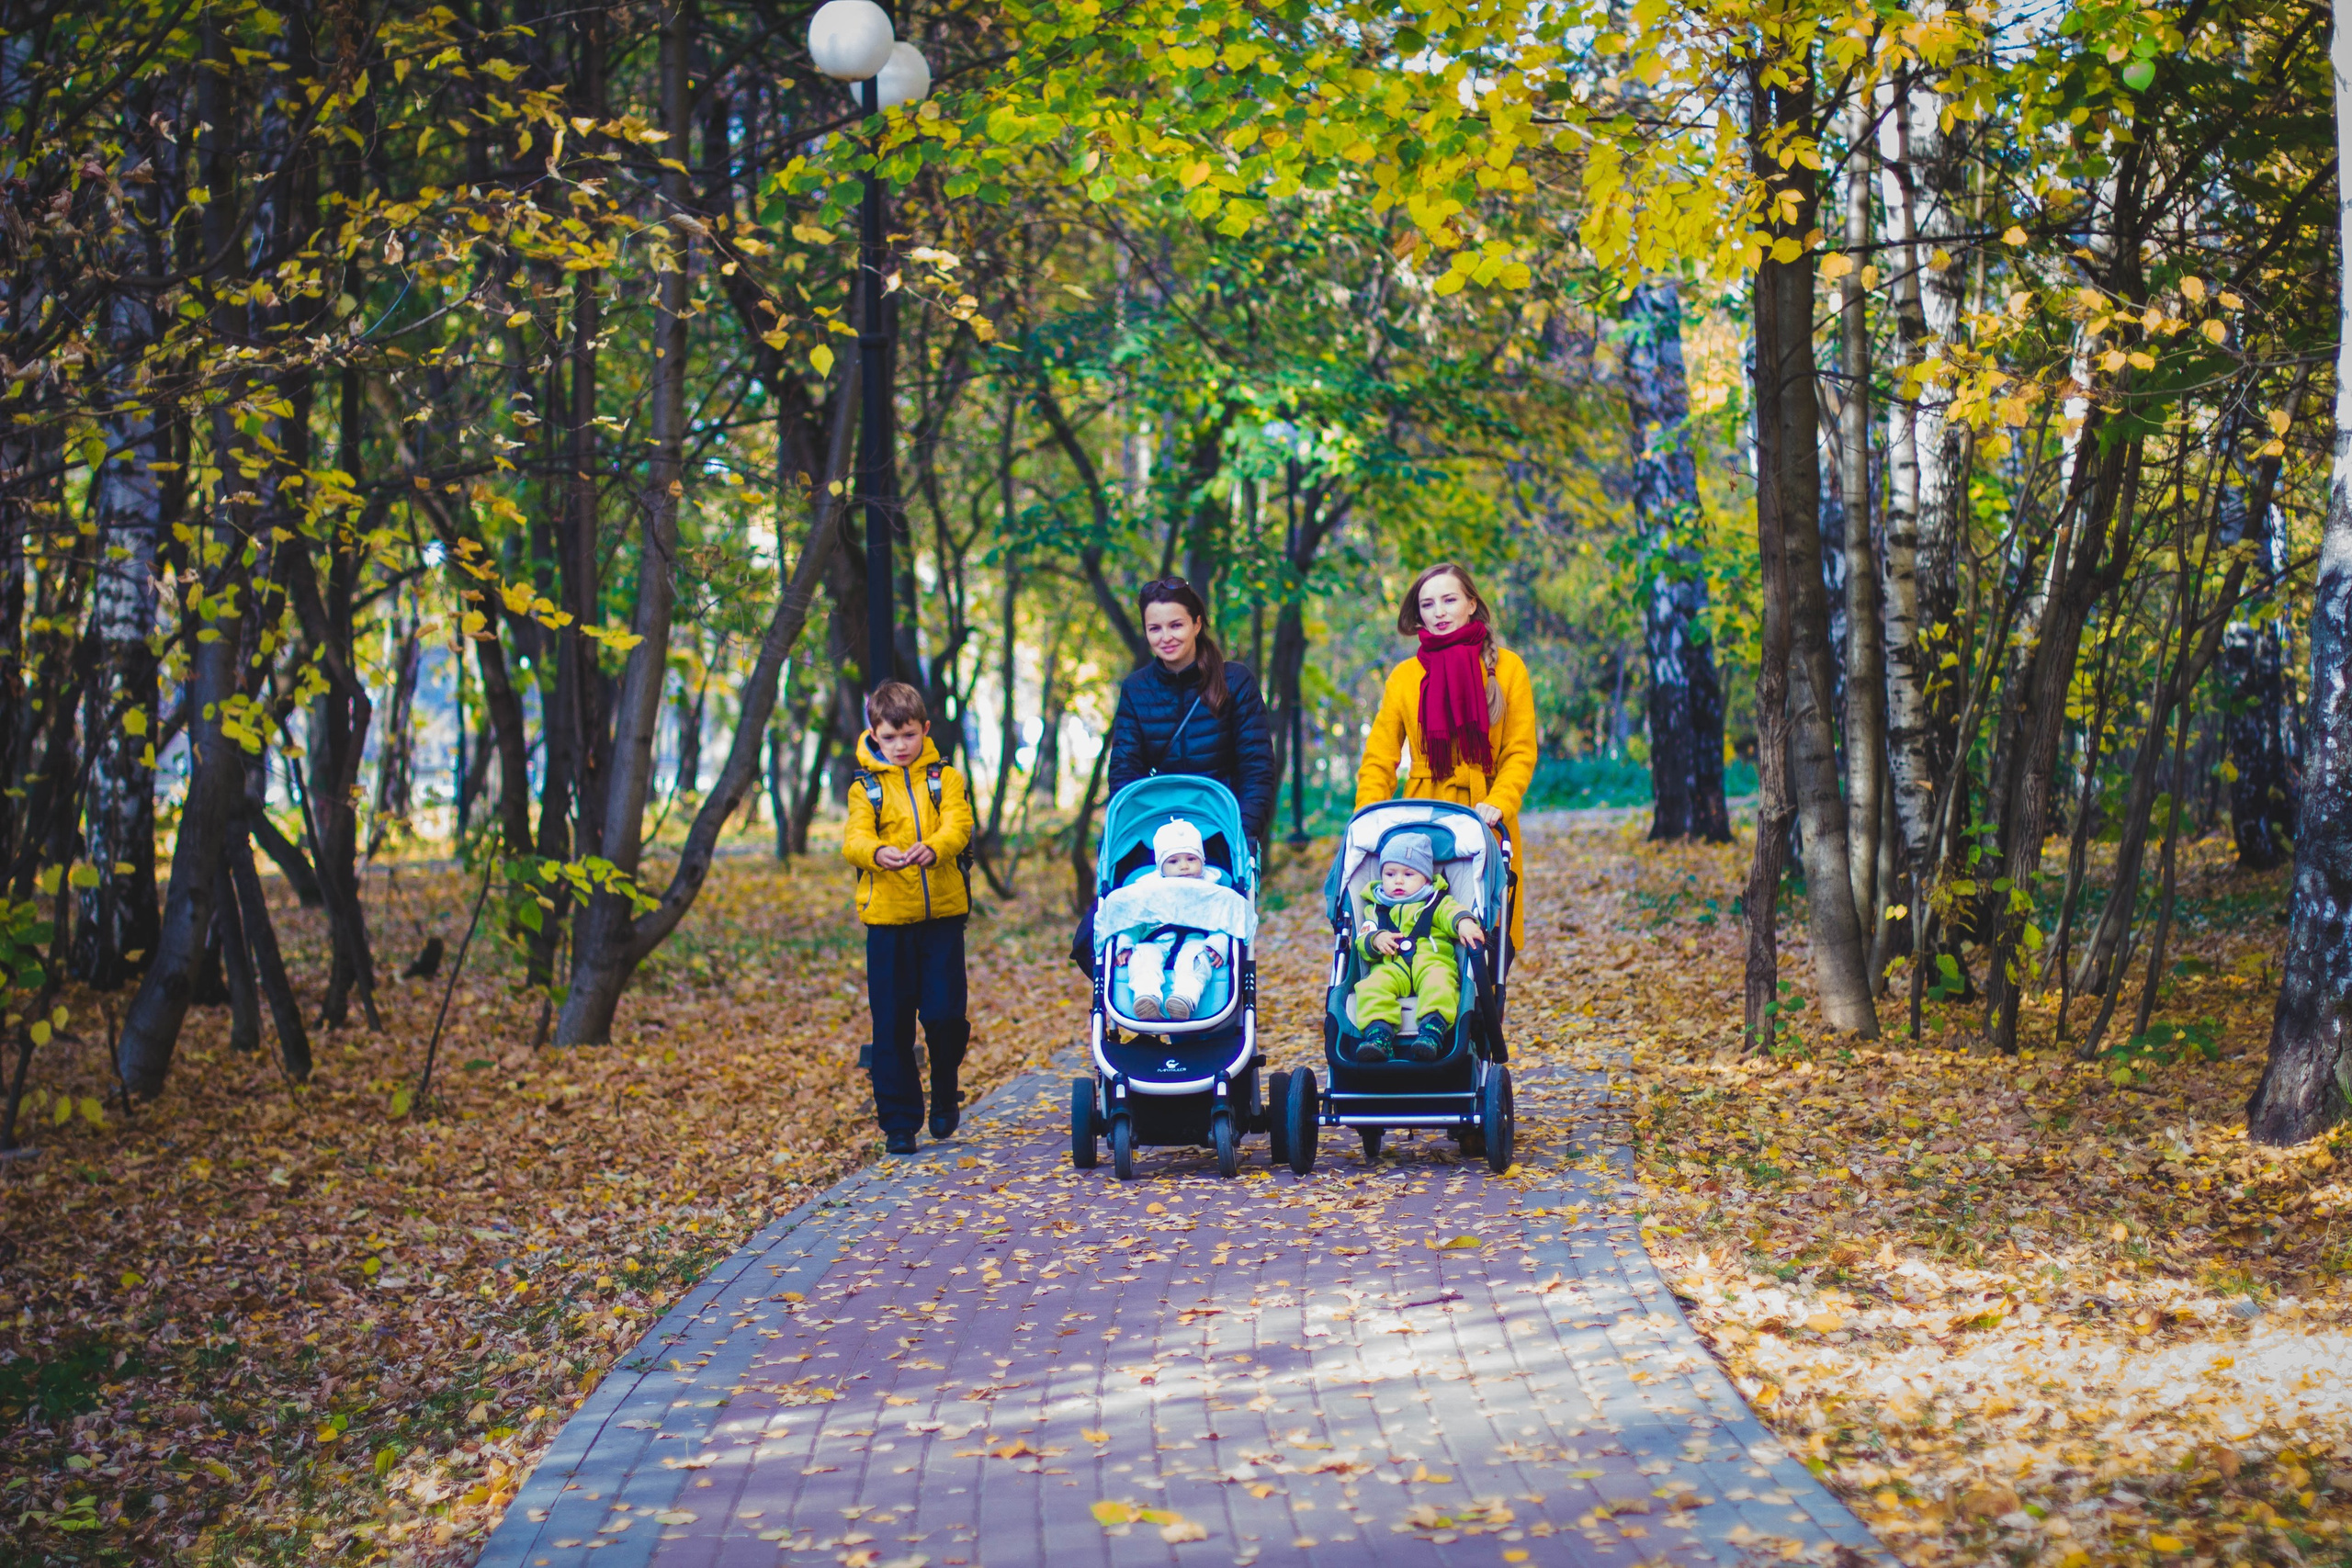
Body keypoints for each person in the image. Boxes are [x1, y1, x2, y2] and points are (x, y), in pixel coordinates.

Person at [1078, 578, 1274, 975]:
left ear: (1197, 623)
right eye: (1155, 628)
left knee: (1208, 928)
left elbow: (1256, 765)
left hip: (1221, 830)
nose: (1165, 636)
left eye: (1176, 625)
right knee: (1100, 931)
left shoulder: (1235, 681)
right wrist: (1141, 834)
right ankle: (1143, 999)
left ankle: (1205, 1003)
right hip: (1156, 831)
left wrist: (1244, 834)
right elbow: (1126, 771)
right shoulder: (1137, 689)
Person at [1354, 561, 1538, 954]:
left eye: (1449, 600)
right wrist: (1368, 816)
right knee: (1416, 933)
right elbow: (1379, 758)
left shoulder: (1507, 669)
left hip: (1485, 814)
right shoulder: (1404, 677)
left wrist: (1500, 803)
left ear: (1472, 603)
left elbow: (1520, 752)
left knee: (1482, 942)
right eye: (1427, 604)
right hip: (1421, 822)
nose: (1438, 612)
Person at [842, 681, 977, 1155]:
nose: (900, 746)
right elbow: (853, 840)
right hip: (887, 921)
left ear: (924, 729)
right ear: (874, 735)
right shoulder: (867, 788)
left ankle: (945, 1088)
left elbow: (959, 825)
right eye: (889, 737)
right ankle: (898, 1122)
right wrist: (879, 852)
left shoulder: (946, 779)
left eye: (908, 736)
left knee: (945, 1017)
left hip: (941, 917)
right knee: (892, 1023)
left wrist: (934, 848)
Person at [1351, 833, 1484, 1064]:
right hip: (1391, 966)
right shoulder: (1376, 908)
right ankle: (1378, 1034)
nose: (1398, 881)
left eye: (1408, 874)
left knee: (1440, 982)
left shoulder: (1436, 902)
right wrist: (1375, 939)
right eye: (1390, 874)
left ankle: (1432, 1029)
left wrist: (1465, 923)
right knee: (1371, 986)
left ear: (1425, 878)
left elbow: (1452, 913)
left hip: (1431, 962)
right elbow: (1363, 937)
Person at [1103, 818, 1251, 1021]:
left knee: (1196, 958)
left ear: (1203, 862)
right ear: (1161, 868)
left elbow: (1222, 922)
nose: (1184, 867)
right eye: (1173, 862)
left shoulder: (1212, 892)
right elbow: (1134, 922)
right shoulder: (1149, 892)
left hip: (1195, 939)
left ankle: (1185, 998)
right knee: (1143, 956)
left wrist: (1217, 946)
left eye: (1191, 859)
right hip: (1155, 939)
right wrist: (1126, 944)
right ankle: (1146, 996)